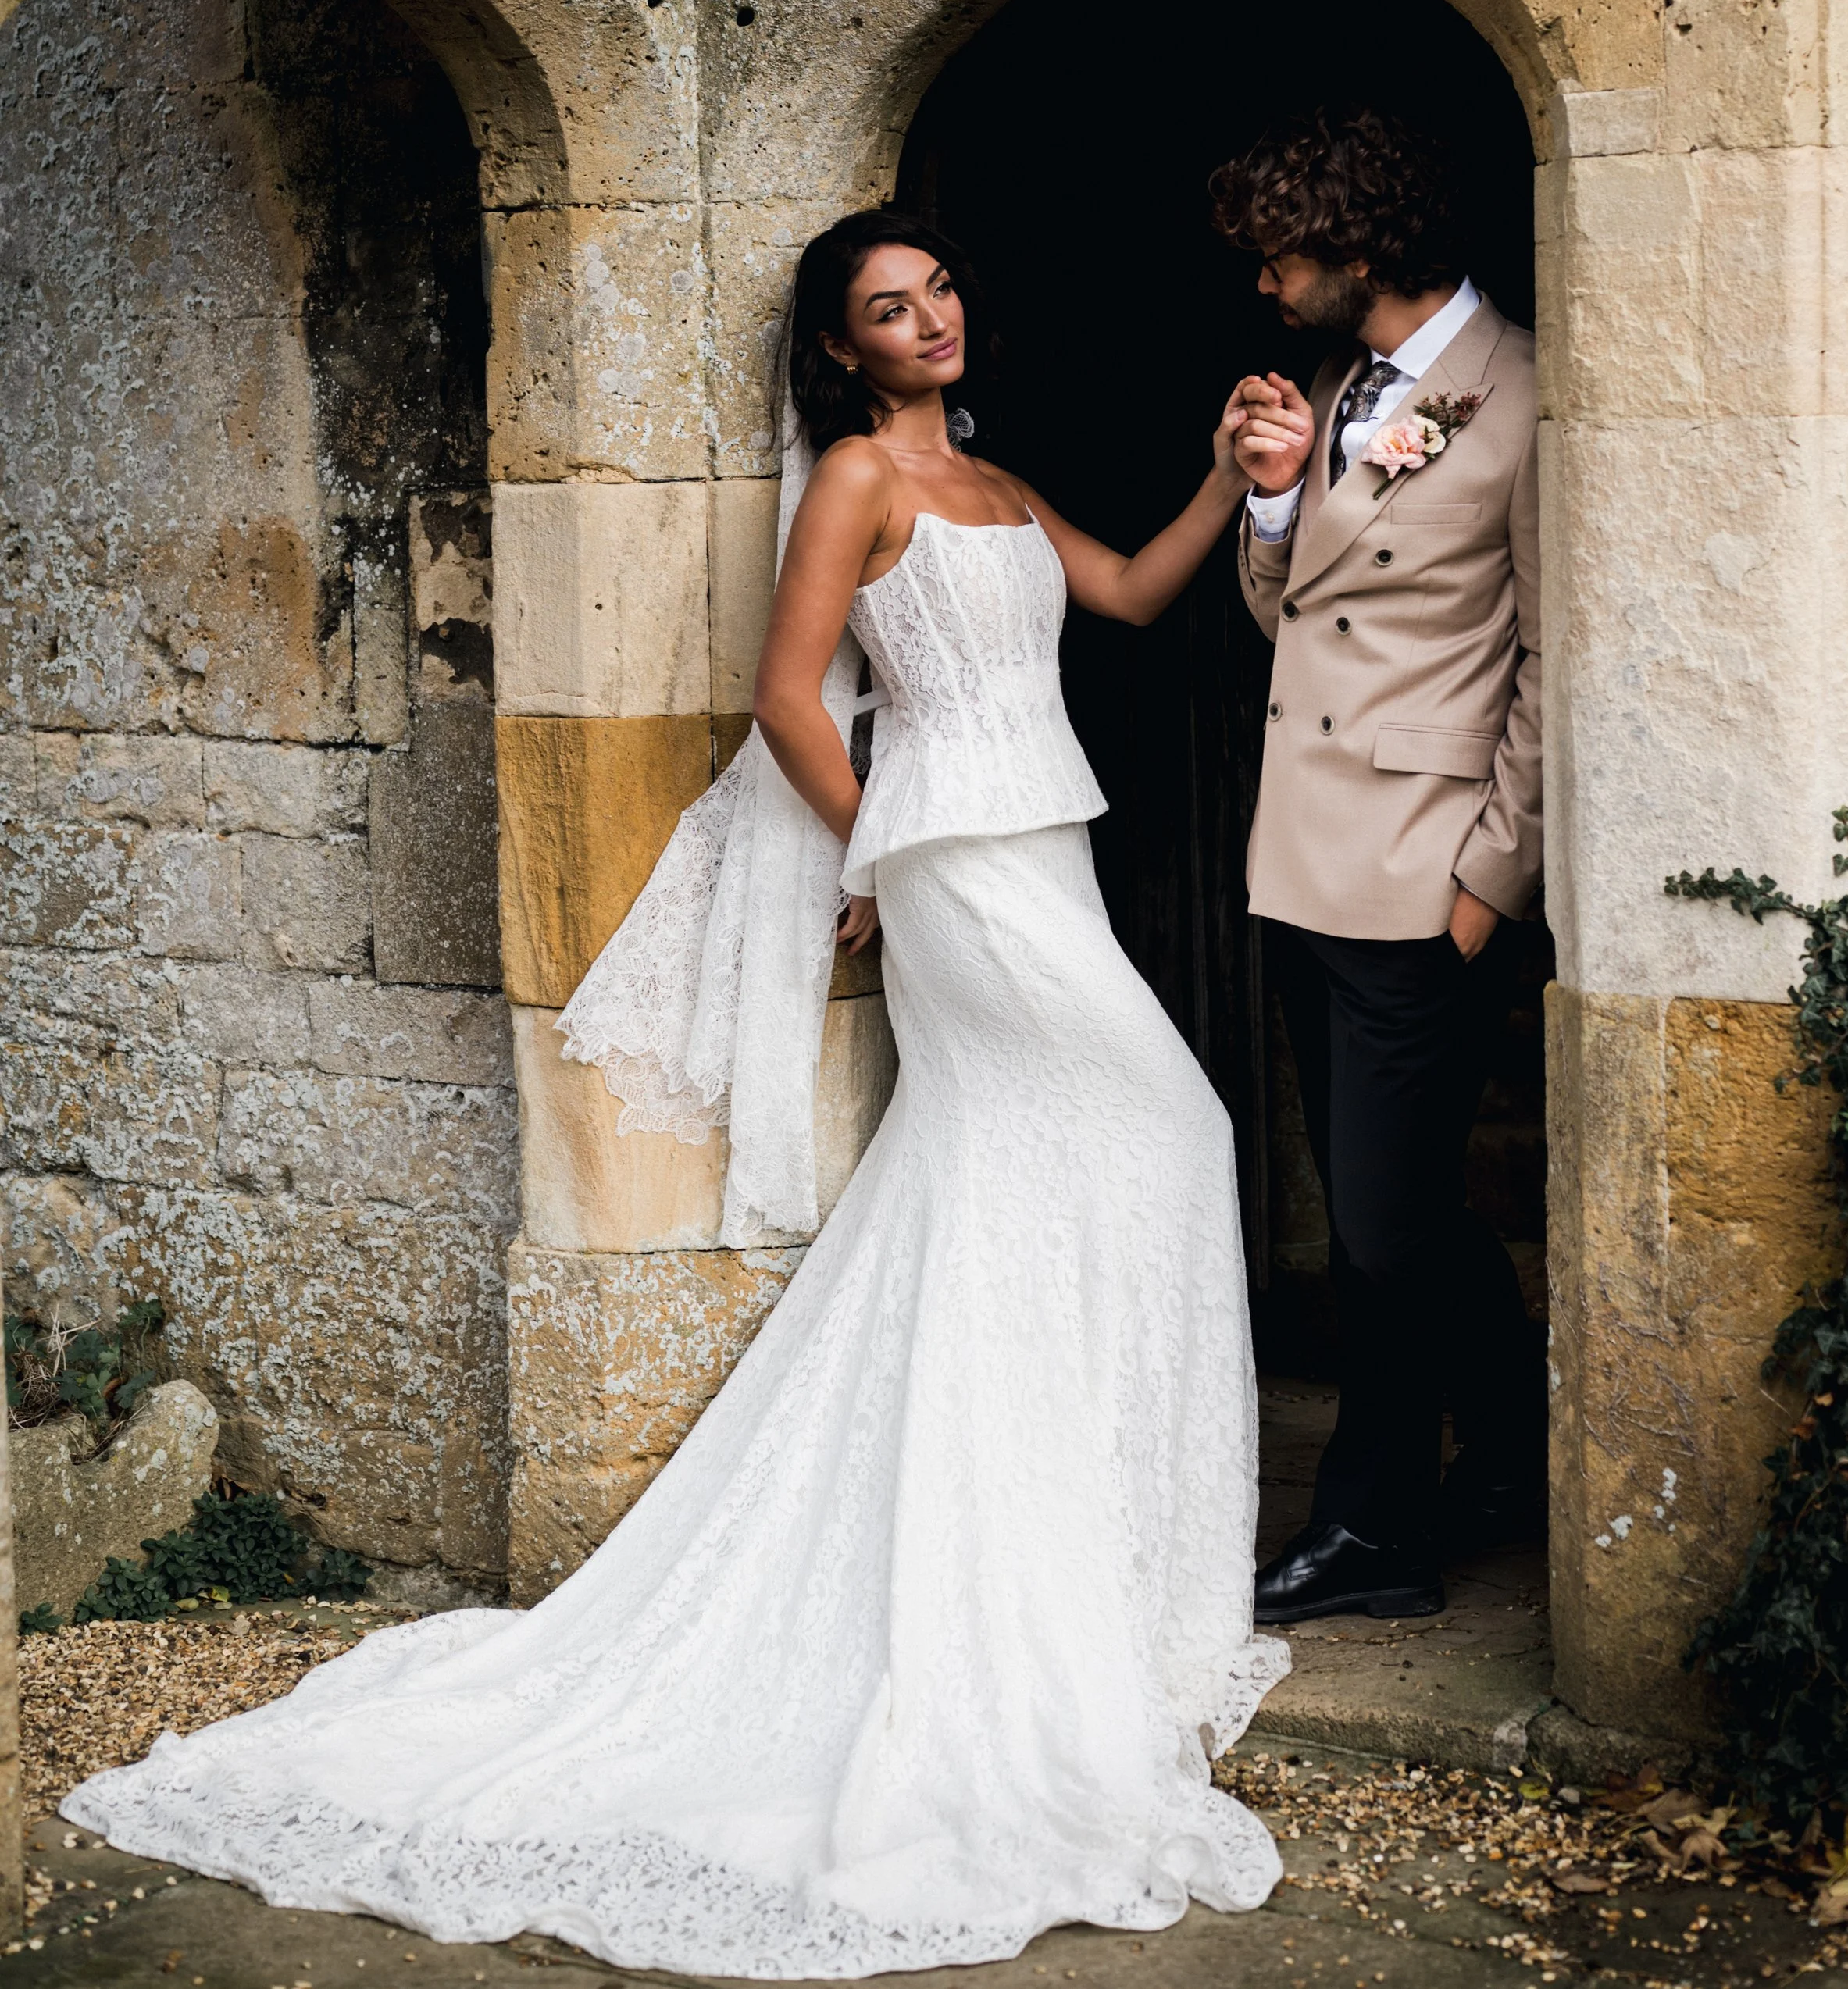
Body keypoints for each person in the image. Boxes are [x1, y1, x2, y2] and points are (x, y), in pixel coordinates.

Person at [62, 206, 1300, 1980]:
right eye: (890, 308)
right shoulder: (860, 489)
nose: (929, 317)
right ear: (844, 352)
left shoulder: (1001, 484)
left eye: (937, 289)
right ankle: (1084, 1563)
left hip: (1051, 842)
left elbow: (1122, 594)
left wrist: (1214, 470)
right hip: (955, 861)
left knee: (1017, 1179)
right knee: (1172, 1131)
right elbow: (785, 693)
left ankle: (1061, 1554)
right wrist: (870, 835)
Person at [1211, 109, 1544, 1627]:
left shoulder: (1522, 393)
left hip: (1426, 873)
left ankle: (1372, 1528)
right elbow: (1288, 613)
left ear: (1359, 251)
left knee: (1376, 1225)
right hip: (1304, 859)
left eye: (1282, 255)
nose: (1266, 284)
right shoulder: (1340, 387)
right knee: (1381, 1204)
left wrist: (1491, 876)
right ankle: (1522, 1444)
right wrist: (1272, 490)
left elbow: (1553, 654)